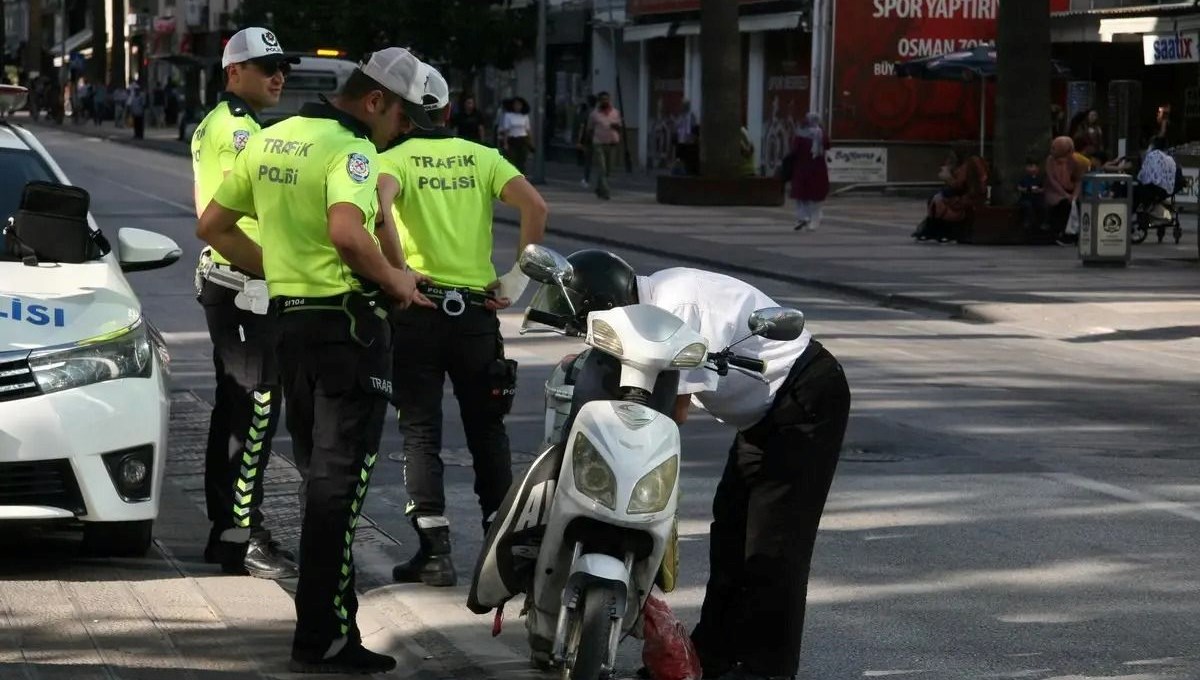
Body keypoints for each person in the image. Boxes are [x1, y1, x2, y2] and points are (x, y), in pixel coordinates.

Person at [197, 46, 435, 674]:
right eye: (404, 119)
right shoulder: (350, 149)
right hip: (346, 335)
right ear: (376, 100)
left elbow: (214, 224)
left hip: (288, 327)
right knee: (339, 488)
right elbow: (348, 234)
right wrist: (397, 282)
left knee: (317, 481)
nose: (402, 133)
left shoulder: (273, 137)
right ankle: (324, 638)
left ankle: (330, 627)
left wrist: (276, 269)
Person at [550, 251, 851, 680]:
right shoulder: (647, 306)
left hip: (803, 400)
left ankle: (766, 669)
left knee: (773, 546)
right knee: (729, 533)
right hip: (762, 416)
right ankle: (711, 656)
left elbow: (672, 411)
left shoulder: (674, 311)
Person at [377, 64, 548, 587]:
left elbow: (380, 210)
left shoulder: (391, 159)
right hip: (476, 314)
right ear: (449, 112)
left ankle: (435, 550)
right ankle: (503, 549)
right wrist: (516, 279)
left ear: (403, 116)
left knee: (420, 430)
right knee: (487, 429)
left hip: (418, 311)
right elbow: (535, 206)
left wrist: (398, 270)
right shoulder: (483, 158)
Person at [191, 27, 302, 581]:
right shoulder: (237, 132)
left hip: (240, 286)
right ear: (234, 71)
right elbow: (221, 224)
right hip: (245, 287)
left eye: (283, 67)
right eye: (266, 67)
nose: (279, 76)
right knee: (254, 412)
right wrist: (284, 269)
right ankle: (243, 536)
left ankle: (228, 534)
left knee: (238, 412)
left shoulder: (242, 125)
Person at [915, 148, 988, 243]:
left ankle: (942, 231)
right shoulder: (967, 164)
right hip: (964, 196)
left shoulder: (970, 165)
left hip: (968, 199)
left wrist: (948, 177)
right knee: (937, 198)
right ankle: (934, 230)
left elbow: (959, 185)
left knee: (939, 201)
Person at [788, 113, 830, 232]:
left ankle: (803, 217)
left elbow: (794, 151)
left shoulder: (800, 134)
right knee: (815, 196)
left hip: (802, 168)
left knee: (802, 195)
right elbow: (828, 146)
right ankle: (813, 219)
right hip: (818, 168)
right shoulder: (821, 134)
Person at [1045, 136, 1083, 246]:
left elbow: (1078, 181)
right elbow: (1052, 180)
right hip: (1055, 191)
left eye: (1054, 148)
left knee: (1075, 205)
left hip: (1071, 190)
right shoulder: (1050, 160)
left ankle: (1073, 235)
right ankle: (1059, 233)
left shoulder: (1076, 161)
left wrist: (1074, 195)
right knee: (1062, 204)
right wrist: (1064, 194)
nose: (1052, 150)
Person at [586, 91, 622, 200]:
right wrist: (588, 143)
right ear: (599, 101)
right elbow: (590, 129)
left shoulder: (615, 113)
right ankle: (606, 192)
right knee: (602, 168)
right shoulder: (594, 114)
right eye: (602, 99)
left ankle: (598, 187)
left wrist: (616, 126)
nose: (605, 101)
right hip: (599, 144)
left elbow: (619, 126)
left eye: (607, 99)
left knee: (608, 170)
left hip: (611, 144)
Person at [1135, 136, 1178, 210]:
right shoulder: (1170, 159)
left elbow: (1143, 175)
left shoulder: (1152, 155)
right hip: (1166, 191)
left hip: (1152, 189)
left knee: (1134, 190)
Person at [499, 96, 532, 172]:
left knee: (522, 159)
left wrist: (530, 141)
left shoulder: (525, 116)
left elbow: (528, 130)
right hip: (512, 140)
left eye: (519, 105)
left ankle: (521, 176)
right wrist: (505, 143)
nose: (517, 107)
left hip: (523, 139)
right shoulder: (508, 116)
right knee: (512, 159)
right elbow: (506, 130)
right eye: (516, 105)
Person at [1016, 157, 1046, 231]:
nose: (1032, 169)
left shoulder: (1040, 179)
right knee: (1027, 205)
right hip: (1026, 198)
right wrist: (1026, 189)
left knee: (1043, 206)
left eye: (1034, 166)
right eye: (1030, 166)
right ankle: (1028, 221)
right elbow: (1019, 187)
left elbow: (1043, 189)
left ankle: (1042, 223)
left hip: (1037, 198)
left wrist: (1038, 190)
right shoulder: (1024, 178)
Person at [575, 94, 597, 187]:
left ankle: (586, 179)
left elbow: (582, 127)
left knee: (587, 160)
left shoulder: (586, 113)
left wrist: (579, 141)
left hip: (588, 138)